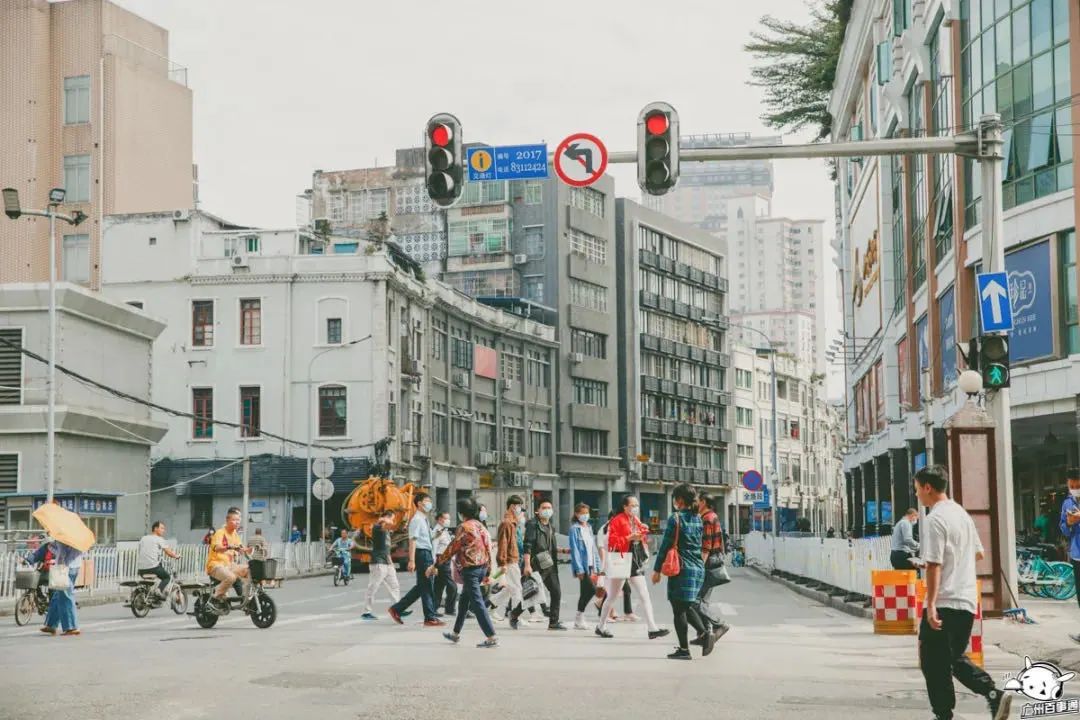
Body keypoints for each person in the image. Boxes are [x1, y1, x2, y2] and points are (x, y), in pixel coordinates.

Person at [915, 466, 1011, 720]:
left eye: (917, 490)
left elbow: (935, 564)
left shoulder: (935, 519)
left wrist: (931, 604)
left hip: (945, 599)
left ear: (928, 487)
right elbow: (978, 553)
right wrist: (956, 565)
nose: (917, 496)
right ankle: (991, 694)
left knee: (932, 662)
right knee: (952, 658)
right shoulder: (961, 514)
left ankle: (946, 713)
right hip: (966, 600)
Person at [652, 484, 713, 660]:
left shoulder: (676, 518)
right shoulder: (698, 518)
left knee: (679, 609)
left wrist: (657, 570)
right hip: (697, 568)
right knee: (685, 605)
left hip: (681, 569)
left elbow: (665, 546)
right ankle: (703, 634)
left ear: (679, 500)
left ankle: (687, 648)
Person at [595, 495, 668, 641]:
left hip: (634, 560)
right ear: (625, 506)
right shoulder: (617, 520)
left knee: (644, 594)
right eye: (632, 505)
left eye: (636, 505)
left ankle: (652, 628)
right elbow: (612, 542)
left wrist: (643, 530)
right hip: (621, 559)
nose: (635, 507)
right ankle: (601, 626)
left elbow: (640, 533)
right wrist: (629, 537)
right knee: (612, 597)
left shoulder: (634, 519)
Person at [432, 497, 498, 648]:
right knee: (463, 602)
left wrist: (436, 563)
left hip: (471, 570)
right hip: (481, 567)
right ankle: (455, 634)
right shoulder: (480, 526)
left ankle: (491, 636)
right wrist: (488, 570)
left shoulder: (464, 527)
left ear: (461, 513)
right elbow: (488, 547)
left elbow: (452, 548)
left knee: (478, 603)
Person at [389, 492, 444, 627]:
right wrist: (411, 560)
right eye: (426, 501)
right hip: (421, 554)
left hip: (426, 553)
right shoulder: (416, 520)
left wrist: (436, 534)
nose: (429, 504)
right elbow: (413, 540)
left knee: (422, 586)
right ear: (419, 503)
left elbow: (426, 538)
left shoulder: (424, 519)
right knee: (426, 586)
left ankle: (397, 609)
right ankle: (429, 617)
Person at [523, 500, 567, 631]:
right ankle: (514, 614)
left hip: (550, 564)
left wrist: (563, 550)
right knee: (531, 592)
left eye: (549, 507)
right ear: (538, 510)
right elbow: (528, 545)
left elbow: (549, 546)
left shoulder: (551, 526)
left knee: (556, 592)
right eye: (544, 507)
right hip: (537, 564)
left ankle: (553, 622)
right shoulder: (533, 524)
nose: (547, 510)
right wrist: (527, 565)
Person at [694, 493, 731, 642]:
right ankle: (705, 634)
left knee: (695, 601)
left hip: (708, 563)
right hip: (712, 561)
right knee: (702, 600)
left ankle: (718, 625)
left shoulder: (707, 519)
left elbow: (706, 547)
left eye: (697, 501)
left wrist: (699, 566)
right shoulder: (712, 517)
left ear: (703, 502)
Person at [28, 538, 83, 636]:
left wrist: (60, 564)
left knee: (65, 596)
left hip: (64, 568)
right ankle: (51, 625)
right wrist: (52, 547)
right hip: (75, 566)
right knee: (58, 596)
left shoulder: (62, 536)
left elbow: (61, 553)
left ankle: (71, 627)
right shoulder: (76, 537)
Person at [205, 507, 252, 613]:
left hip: (229, 565)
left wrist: (249, 550)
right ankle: (215, 598)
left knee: (251, 569)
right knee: (231, 577)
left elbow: (241, 548)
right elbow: (217, 547)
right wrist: (229, 547)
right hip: (215, 565)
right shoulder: (220, 533)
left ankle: (247, 598)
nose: (237, 522)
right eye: (235, 520)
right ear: (227, 520)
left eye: (239, 520)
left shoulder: (235, 534)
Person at [493, 496, 526, 629]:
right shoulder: (507, 523)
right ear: (513, 506)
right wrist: (502, 563)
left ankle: (487, 605)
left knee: (509, 589)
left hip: (514, 559)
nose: (520, 510)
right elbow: (503, 543)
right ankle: (516, 617)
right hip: (510, 561)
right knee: (517, 589)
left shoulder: (513, 523)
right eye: (519, 507)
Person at [362, 511, 401, 620]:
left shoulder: (387, 532)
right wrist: (387, 520)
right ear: (387, 518)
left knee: (395, 586)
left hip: (387, 562)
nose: (392, 522)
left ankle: (397, 609)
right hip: (378, 562)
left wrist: (391, 564)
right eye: (392, 519)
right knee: (373, 587)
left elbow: (387, 550)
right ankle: (366, 612)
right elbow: (381, 520)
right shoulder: (378, 527)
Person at [596, 510, 633, 622]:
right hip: (609, 563)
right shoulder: (604, 529)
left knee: (625, 589)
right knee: (611, 590)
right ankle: (603, 614)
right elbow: (601, 548)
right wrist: (603, 566)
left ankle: (625, 612)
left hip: (617, 562)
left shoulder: (616, 527)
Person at [569, 503, 600, 631]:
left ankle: (579, 619)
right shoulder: (574, 529)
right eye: (582, 513)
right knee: (592, 590)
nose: (585, 515)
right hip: (582, 566)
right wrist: (579, 569)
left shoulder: (589, 527)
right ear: (576, 514)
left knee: (584, 593)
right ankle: (578, 617)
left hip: (591, 565)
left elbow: (593, 548)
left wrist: (598, 566)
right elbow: (574, 549)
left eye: (586, 513)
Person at [136, 520, 180, 598]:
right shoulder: (159, 539)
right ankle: (158, 590)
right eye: (162, 528)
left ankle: (149, 595)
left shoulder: (143, 538)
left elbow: (141, 551)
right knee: (167, 577)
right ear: (155, 529)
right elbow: (169, 552)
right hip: (153, 568)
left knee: (152, 580)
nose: (164, 531)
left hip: (141, 569)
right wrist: (176, 556)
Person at [1060, 470, 1080, 642]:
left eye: (1077, 486)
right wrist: (1069, 523)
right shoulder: (1067, 502)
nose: (1074, 489)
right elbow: (1064, 529)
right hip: (1077, 555)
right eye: (1071, 486)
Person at [431, 511, 458, 617]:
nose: (447, 520)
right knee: (452, 586)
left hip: (444, 560)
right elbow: (434, 547)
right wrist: (434, 565)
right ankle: (449, 609)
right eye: (445, 518)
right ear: (439, 519)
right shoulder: (438, 531)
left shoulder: (444, 530)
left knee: (439, 586)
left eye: (448, 518)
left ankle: (434, 608)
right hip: (440, 560)